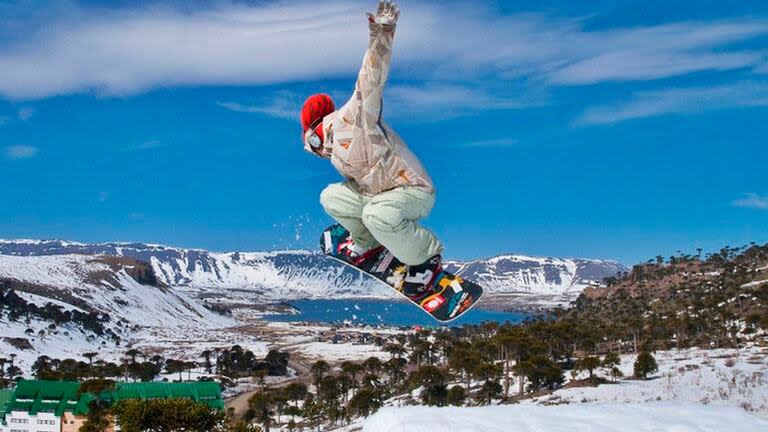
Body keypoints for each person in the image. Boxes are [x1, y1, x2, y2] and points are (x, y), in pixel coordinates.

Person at [301, 1, 443, 296]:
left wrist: (382, 32)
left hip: (412, 190)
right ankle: (367, 242)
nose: (315, 150)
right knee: (331, 197)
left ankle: (425, 257)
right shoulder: (333, 149)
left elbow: (370, 78)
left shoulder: (353, 118)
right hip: (379, 196)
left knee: (377, 214)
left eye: (311, 142)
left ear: (315, 133)